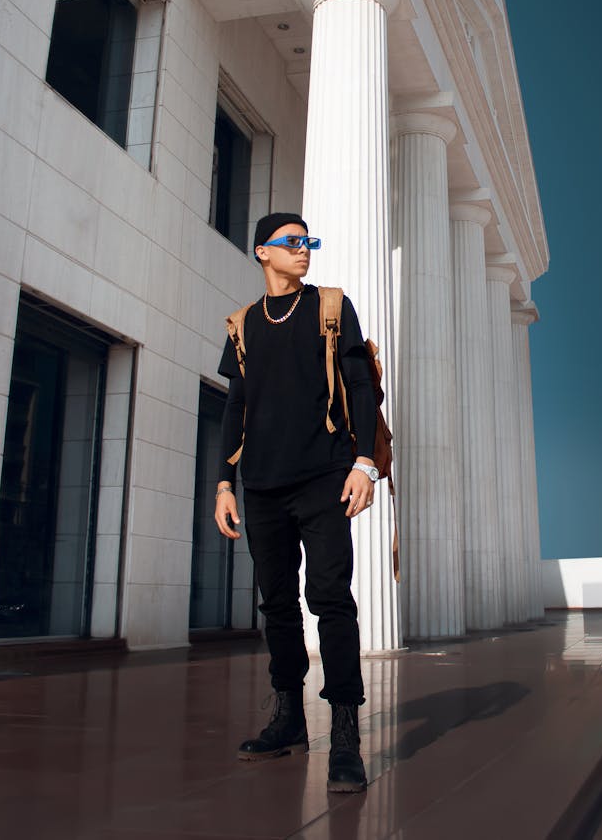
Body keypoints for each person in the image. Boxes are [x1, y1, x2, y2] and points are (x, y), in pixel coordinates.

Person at [214, 212, 378, 794]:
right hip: (259, 483)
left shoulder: (330, 308)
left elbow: (361, 386)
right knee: (277, 603)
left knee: (331, 598)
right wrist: (224, 482)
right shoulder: (242, 325)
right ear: (263, 252)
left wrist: (364, 463)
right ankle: (287, 717)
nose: (304, 250)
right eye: (291, 242)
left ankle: (344, 733)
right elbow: (235, 406)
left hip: (323, 476)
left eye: (308, 241)